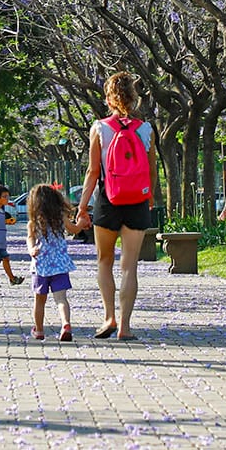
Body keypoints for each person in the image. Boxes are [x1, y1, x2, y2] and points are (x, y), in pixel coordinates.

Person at [75, 71, 158, 341]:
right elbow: (152, 171)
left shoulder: (99, 128)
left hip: (108, 200)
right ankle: (125, 326)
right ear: (134, 99)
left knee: (104, 261)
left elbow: (92, 171)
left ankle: (108, 316)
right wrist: (150, 197)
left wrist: (82, 206)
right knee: (129, 266)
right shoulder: (146, 130)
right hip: (136, 202)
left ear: (108, 99)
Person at [26, 183, 77, 341]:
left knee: (39, 300)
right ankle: (66, 324)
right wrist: (82, 223)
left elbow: (30, 238)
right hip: (60, 265)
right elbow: (73, 230)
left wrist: (32, 249)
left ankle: (39, 330)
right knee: (61, 298)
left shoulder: (34, 222)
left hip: (41, 265)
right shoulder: (61, 218)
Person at [0, 186, 24, 286]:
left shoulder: (1, 209)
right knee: (5, 258)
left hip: (0, 239)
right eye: (5, 196)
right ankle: (12, 278)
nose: (7, 199)